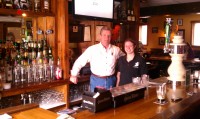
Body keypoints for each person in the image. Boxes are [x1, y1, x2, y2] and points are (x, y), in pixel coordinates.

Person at [70, 26, 124, 92]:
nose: (106, 38)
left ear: (111, 37)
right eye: (104, 35)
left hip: (111, 80)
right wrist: (74, 75)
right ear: (100, 36)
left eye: (109, 36)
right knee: (96, 101)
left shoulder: (116, 49)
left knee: (110, 101)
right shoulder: (92, 49)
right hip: (97, 80)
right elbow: (80, 61)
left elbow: (125, 58)